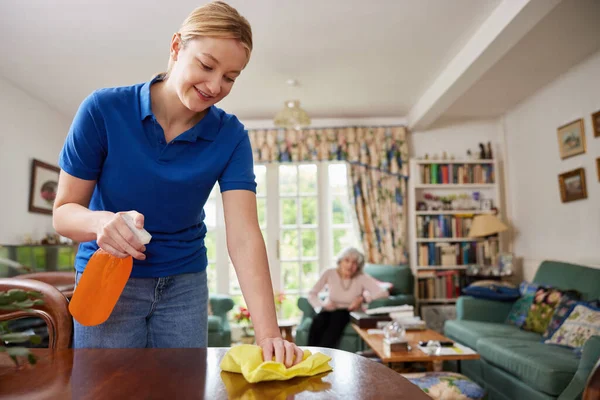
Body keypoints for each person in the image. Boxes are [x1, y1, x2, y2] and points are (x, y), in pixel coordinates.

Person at [52, 1, 303, 367]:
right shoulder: (103, 110)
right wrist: (100, 222)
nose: (216, 85)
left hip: (184, 285)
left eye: (231, 77)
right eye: (206, 65)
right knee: (105, 390)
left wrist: (267, 334)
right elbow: (63, 213)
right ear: (175, 47)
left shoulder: (230, 135)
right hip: (108, 281)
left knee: (181, 389)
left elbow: (244, 234)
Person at [307, 247, 389, 348]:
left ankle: (324, 354)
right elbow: (312, 293)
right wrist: (322, 305)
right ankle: (310, 353)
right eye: (347, 261)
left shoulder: (361, 277)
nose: (350, 265)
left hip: (349, 312)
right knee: (319, 319)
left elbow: (383, 293)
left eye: (354, 263)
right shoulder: (329, 273)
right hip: (330, 309)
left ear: (358, 266)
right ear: (340, 261)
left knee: (337, 318)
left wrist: (363, 299)